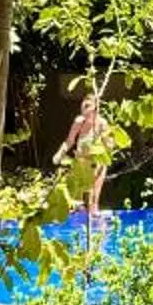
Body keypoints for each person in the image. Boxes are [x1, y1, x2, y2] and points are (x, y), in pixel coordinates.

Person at [58, 90, 110, 218]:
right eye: (83, 106)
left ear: (96, 108)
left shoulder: (102, 123)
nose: (83, 110)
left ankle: (94, 212)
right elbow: (70, 141)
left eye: (87, 106)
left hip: (97, 163)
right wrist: (60, 153)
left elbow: (109, 146)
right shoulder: (79, 121)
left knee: (93, 201)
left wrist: (105, 141)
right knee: (78, 200)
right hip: (80, 163)